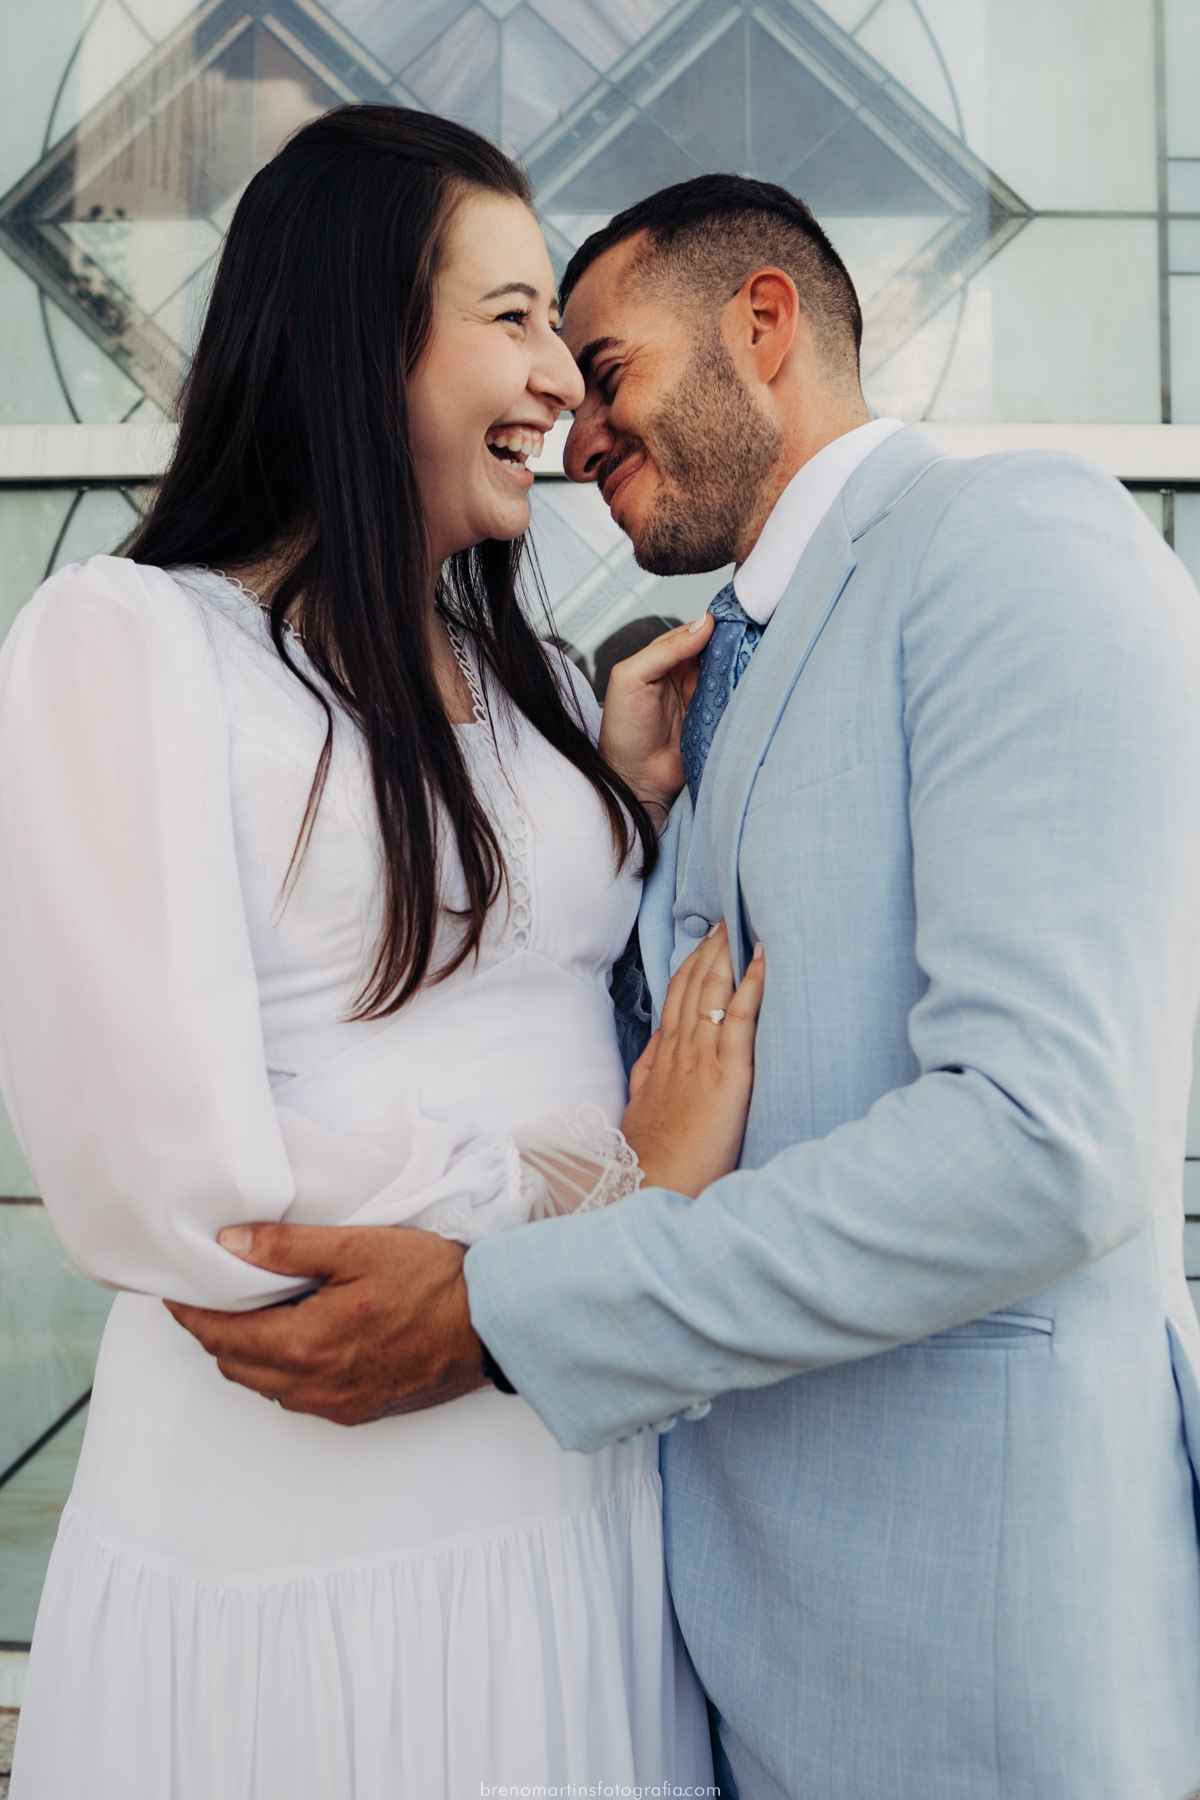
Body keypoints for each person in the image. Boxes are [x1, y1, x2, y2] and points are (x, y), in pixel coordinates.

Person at [172, 172, 1200, 1799]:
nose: (575, 433)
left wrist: (498, 1313)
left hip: (974, 1653)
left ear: (763, 324)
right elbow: (688, 1079)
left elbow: (1041, 1137)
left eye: (607, 365)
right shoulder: (709, 679)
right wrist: (637, 820)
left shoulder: (1016, 541)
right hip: (716, 1659)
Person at [0, 114, 772, 1799]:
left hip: (581, 1498)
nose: (564, 376)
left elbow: (513, 960)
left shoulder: (552, 694)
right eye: (511, 317)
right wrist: (611, 1187)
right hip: (308, 1519)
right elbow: (184, 1182)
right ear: (357, 330)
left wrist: (621, 798)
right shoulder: (126, 645)